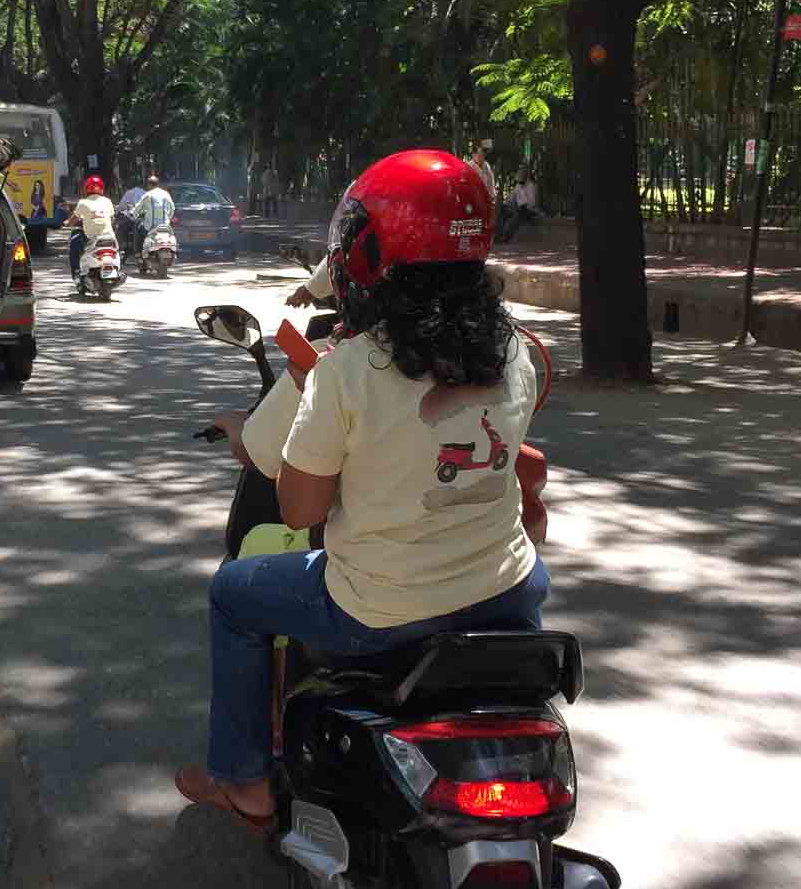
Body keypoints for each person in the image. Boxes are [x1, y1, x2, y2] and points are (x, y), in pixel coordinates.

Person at [175, 148, 547, 835]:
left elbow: (301, 511)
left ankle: (246, 780)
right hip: (512, 590)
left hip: (378, 607)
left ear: (368, 255)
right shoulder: (516, 350)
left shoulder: (346, 368)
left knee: (233, 594)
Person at [66, 173, 115, 280]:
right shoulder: (108, 201)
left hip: (91, 238)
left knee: (74, 245)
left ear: (86, 189)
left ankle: (76, 274)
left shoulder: (83, 202)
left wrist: (67, 223)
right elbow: (111, 218)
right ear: (102, 188)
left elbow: (73, 220)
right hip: (109, 237)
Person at [495, 166, 541, 243]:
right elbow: (511, 198)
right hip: (519, 208)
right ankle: (498, 235)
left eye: (521, 176)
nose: (520, 178)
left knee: (517, 216)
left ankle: (506, 238)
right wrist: (506, 204)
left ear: (526, 177)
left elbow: (532, 203)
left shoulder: (531, 186)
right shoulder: (518, 186)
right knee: (502, 210)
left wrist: (520, 205)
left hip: (529, 210)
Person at [133, 173, 174, 245]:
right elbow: (172, 209)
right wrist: (168, 218)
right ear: (158, 184)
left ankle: (137, 252)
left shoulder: (147, 195)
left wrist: (135, 216)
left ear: (149, 185)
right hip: (165, 226)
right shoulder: (166, 194)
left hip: (150, 227)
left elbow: (137, 209)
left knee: (137, 226)